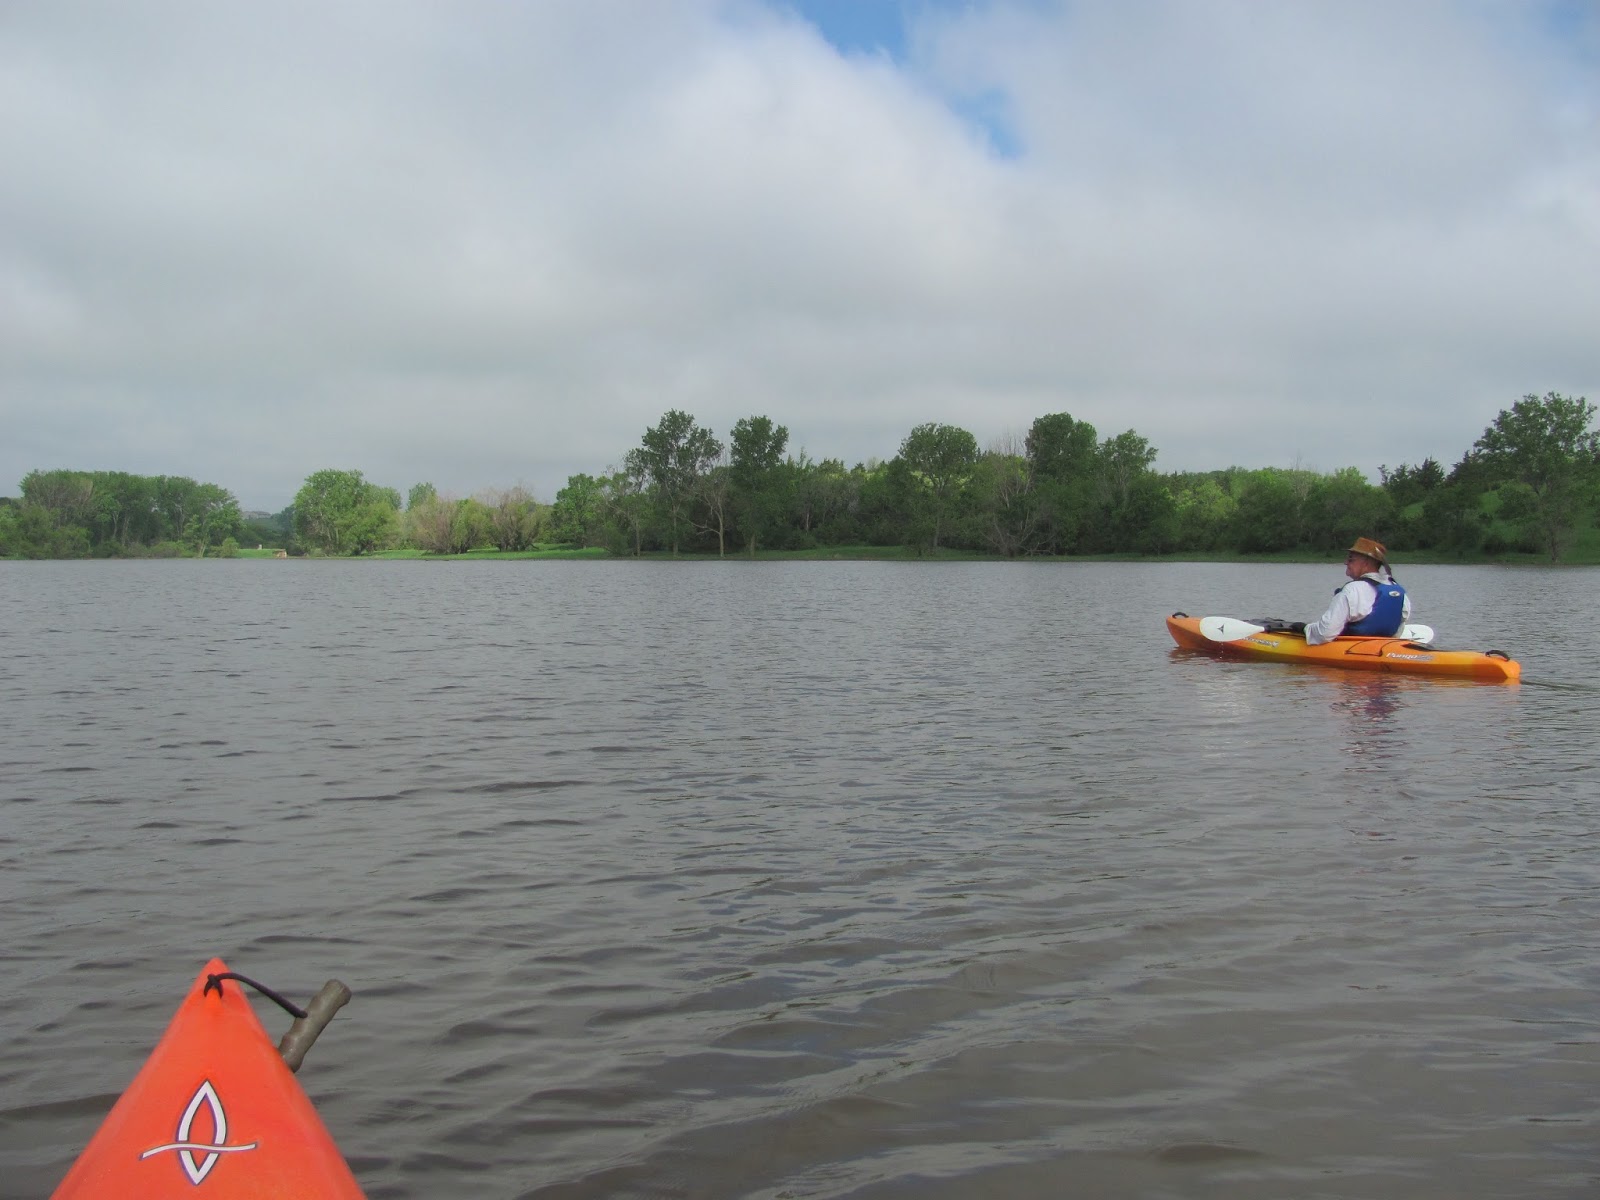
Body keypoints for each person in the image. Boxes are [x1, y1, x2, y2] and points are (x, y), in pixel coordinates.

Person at [1302, 537, 1410, 644]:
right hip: (1386, 648)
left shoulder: (1352, 590)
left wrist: (1306, 629)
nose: (1346, 562)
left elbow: (1324, 633)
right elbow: (1398, 631)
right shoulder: (1399, 591)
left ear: (1366, 563)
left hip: (1350, 649)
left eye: (1351, 559)